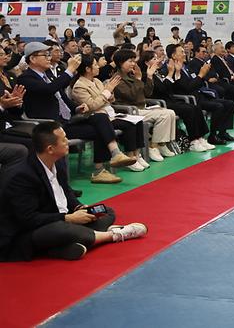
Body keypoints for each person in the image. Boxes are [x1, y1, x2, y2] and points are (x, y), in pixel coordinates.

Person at [0, 121, 147, 262]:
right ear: (50, 148)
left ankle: (63, 246)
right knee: (60, 230)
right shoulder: (22, 176)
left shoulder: (58, 162)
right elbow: (29, 219)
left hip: (65, 218)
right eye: (64, 140)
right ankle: (113, 235)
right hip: (31, 231)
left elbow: (66, 192)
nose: (68, 142)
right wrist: (68, 219)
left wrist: (78, 207)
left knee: (104, 210)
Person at [17, 43, 137, 184]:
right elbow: (49, 90)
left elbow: (62, 96)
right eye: (45, 55)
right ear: (32, 59)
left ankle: (113, 156)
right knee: (99, 127)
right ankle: (103, 166)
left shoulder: (47, 74)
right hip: (49, 125)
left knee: (100, 117)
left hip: (66, 121)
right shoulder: (26, 78)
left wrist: (76, 108)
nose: (49, 58)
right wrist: (70, 70)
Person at [71, 55, 149, 173]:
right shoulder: (79, 86)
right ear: (87, 69)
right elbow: (91, 105)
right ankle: (129, 156)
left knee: (137, 121)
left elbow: (106, 99)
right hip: (96, 117)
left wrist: (110, 93)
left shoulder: (96, 81)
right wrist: (107, 92)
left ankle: (137, 156)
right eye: (96, 65)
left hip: (108, 112)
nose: (98, 67)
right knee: (128, 125)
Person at [112, 49, 178, 162]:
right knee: (164, 115)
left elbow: (147, 93)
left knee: (170, 112)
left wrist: (149, 76)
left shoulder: (131, 75)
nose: (133, 64)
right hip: (130, 111)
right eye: (130, 61)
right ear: (120, 63)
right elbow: (131, 96)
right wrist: (138, 79)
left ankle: (161, 144)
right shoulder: (117, 78)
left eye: (134, 61)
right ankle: (153, 146)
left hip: (142, 108)